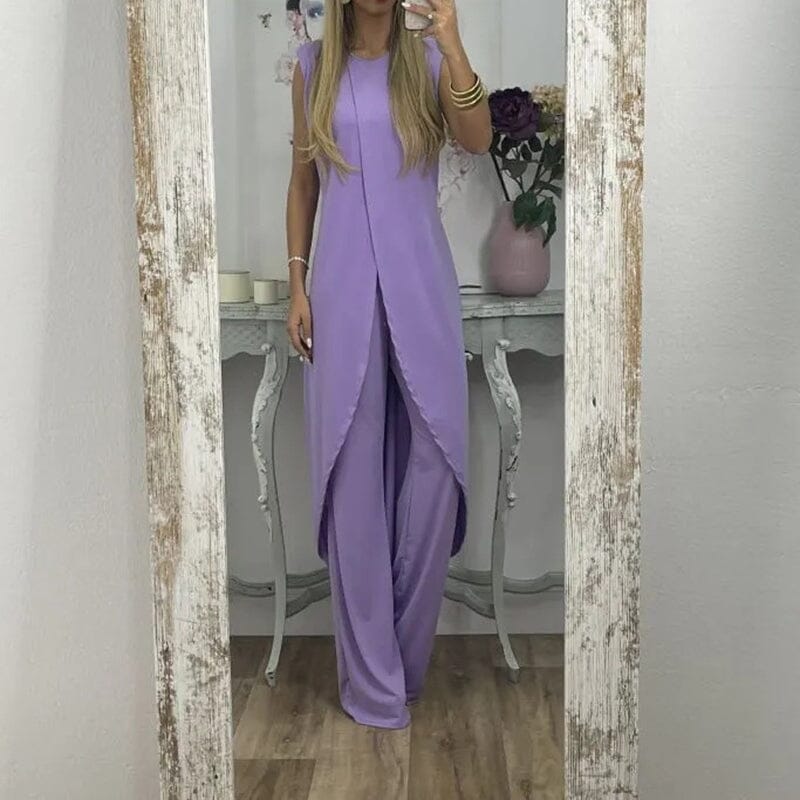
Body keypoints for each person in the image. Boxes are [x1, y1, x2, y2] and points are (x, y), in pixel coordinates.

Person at [284, 0, 491, 729]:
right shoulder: (312, 66)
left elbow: (477, 138)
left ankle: (400, 658)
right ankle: (372, 678)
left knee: (439, 458)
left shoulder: (428, 63)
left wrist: (452, 41)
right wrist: (297, 284)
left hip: (421, 279)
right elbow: (303, 182)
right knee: (352, 462)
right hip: (339, 287)